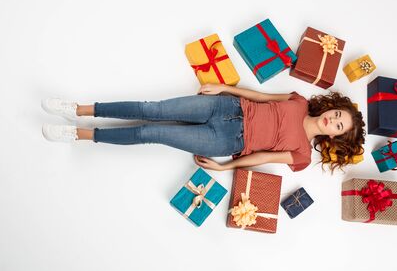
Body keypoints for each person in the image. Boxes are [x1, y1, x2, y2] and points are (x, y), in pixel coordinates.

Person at [42, 83, 365, 172]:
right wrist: (223, 87)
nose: (333, 120)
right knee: (150, 109)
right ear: (331, 107)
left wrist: (226, 168)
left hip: (223, 140)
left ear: (335, 136)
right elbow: (261, 96)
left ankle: (79, 134)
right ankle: (77, 109)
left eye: (338, 125)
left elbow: (262, 158)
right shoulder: (300, 101)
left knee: (149, 133)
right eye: (337, 113)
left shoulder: (302, 155)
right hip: (225, 106)